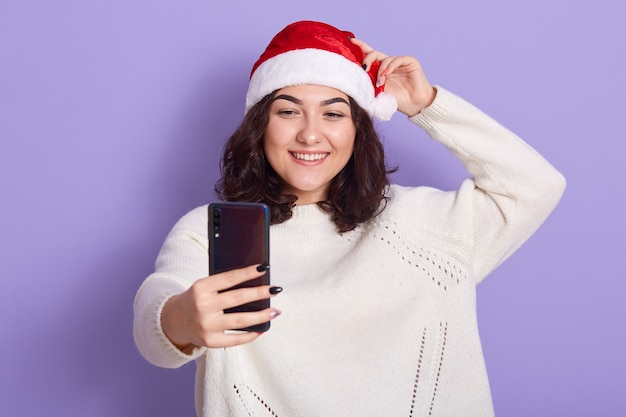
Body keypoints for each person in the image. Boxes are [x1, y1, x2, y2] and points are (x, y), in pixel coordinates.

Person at [133, 20, 565, 417]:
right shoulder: (209, 232)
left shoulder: (426, 222)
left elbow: (535, 185)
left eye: (334, 113)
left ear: (359, 128)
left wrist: (426, 105)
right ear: (260, 126)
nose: (310, 133)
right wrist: (181, 318)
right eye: (288, 111)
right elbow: (158, 314)